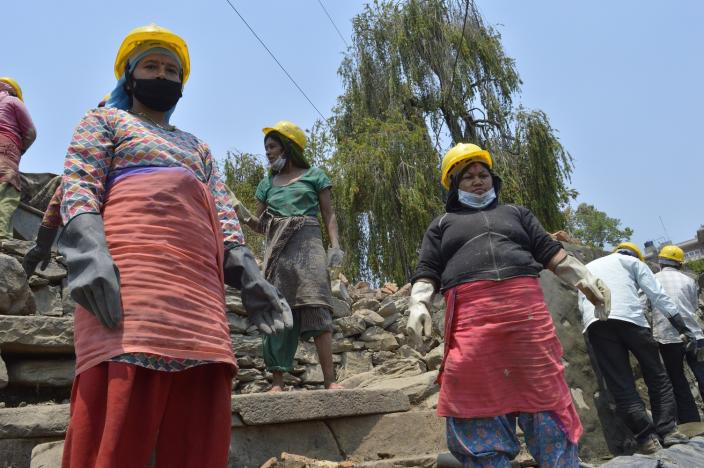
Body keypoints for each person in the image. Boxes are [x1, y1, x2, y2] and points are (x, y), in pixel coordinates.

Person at [57, 24, 291, 468]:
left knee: (197, 426)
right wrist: (90, 255)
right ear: (130, 76)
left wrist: (250, 276)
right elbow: (80, 186)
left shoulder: (198, 147)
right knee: (120, 412)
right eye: (151, 66)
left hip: (198, 300)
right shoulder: (104, 121)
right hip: (129, 285)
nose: (162, 76)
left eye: (171, 69)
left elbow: (223, 216)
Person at [408, 143, 610, 467]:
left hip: (528, 323)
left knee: (545, 394)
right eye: (468, 177)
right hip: (472, 328)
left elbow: (551, 253)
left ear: (493, 179)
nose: (478, 181)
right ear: (453, 185)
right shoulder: (442, 224)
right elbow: (427, 271)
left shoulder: (517, 214)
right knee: (473, 395)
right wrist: (418, 303)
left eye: (483, 174)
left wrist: (586, 279)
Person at [251, 120, 344, 391]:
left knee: (317, 308)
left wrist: (335, 246)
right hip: (278, 253)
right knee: (279, 312)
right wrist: (241, 215)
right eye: (266, 147)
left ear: (288, 148)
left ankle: (330, 381)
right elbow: (259, 225)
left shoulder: (315, 176)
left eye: (273, 146)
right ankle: (277, 383)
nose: (268, 152)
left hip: (309, 247)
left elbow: (329, 214)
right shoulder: (266, 184)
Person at [579, 242, 690, 454]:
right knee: (657, 375)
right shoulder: (632, 262)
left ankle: (646, 438)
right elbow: (657, 294)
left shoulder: (588, 266)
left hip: (596, 324)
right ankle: (667, 431)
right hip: (631, 320)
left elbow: (582, 300)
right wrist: (679, 324)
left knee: (621, 384)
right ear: (636, 255)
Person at [651, 245, 704, 423]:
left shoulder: (651, 279)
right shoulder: (688, 280)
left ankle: (691, 422)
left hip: (667, 338)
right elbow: (694, 307)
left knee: (677, 379)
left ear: (660, 262)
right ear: (679, 264)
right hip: (696, 336)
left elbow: (645, 306)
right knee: (702, 374)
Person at [0, 76, 36, 239]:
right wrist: (20, 149)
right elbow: (30, 132)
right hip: (5, 148)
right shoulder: (13, 101)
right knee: (7, 188)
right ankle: (2, 237)